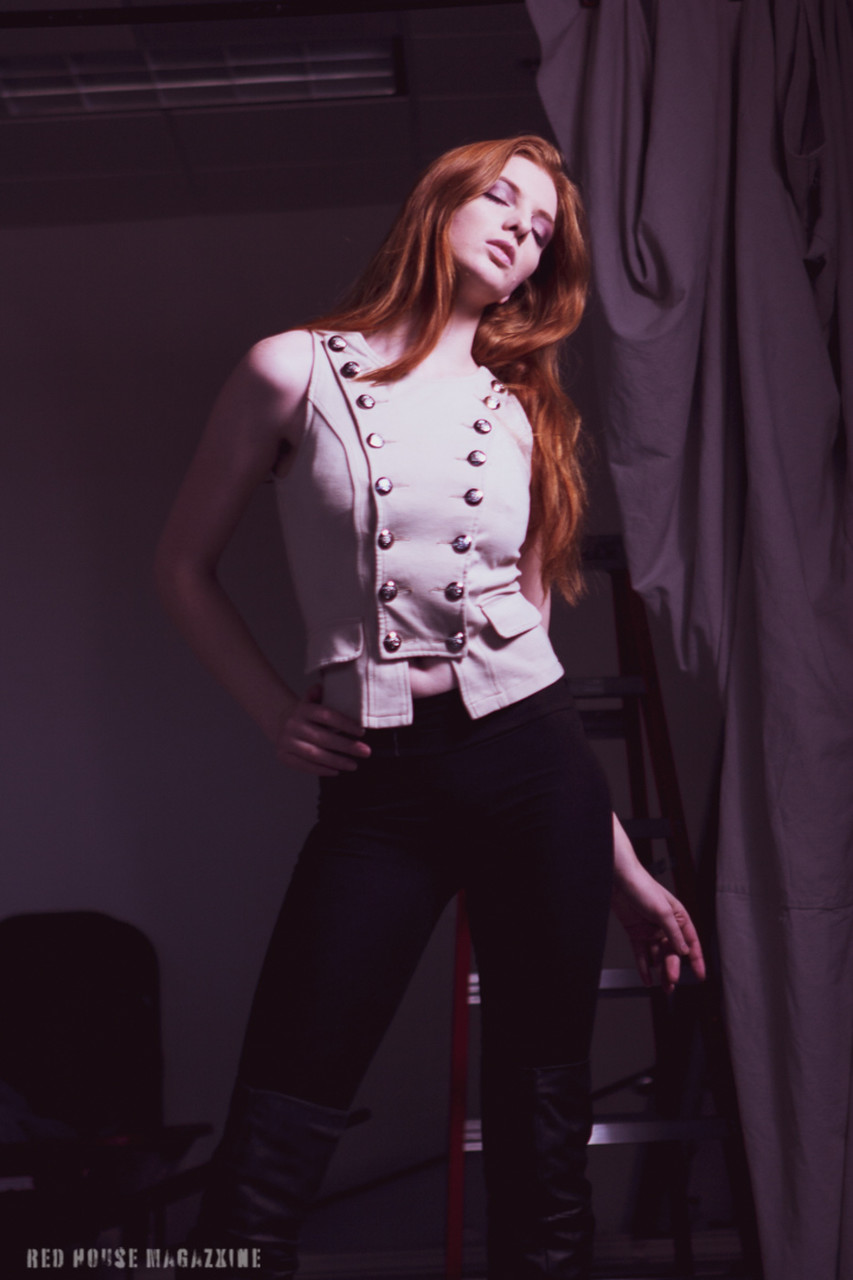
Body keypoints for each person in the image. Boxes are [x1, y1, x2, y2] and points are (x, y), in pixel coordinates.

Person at [155, 134, 705, 1280]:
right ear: (438, 203)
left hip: (535, 772)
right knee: (283, 1105)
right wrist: (274, 710)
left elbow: (536, 659)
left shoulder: (524, 414)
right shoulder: (291, 368)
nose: (519, 228)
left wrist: (626, 873)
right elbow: (179, 567)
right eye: (500, 198)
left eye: (540, 229)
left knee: (544, 1121)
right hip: (382, 783)